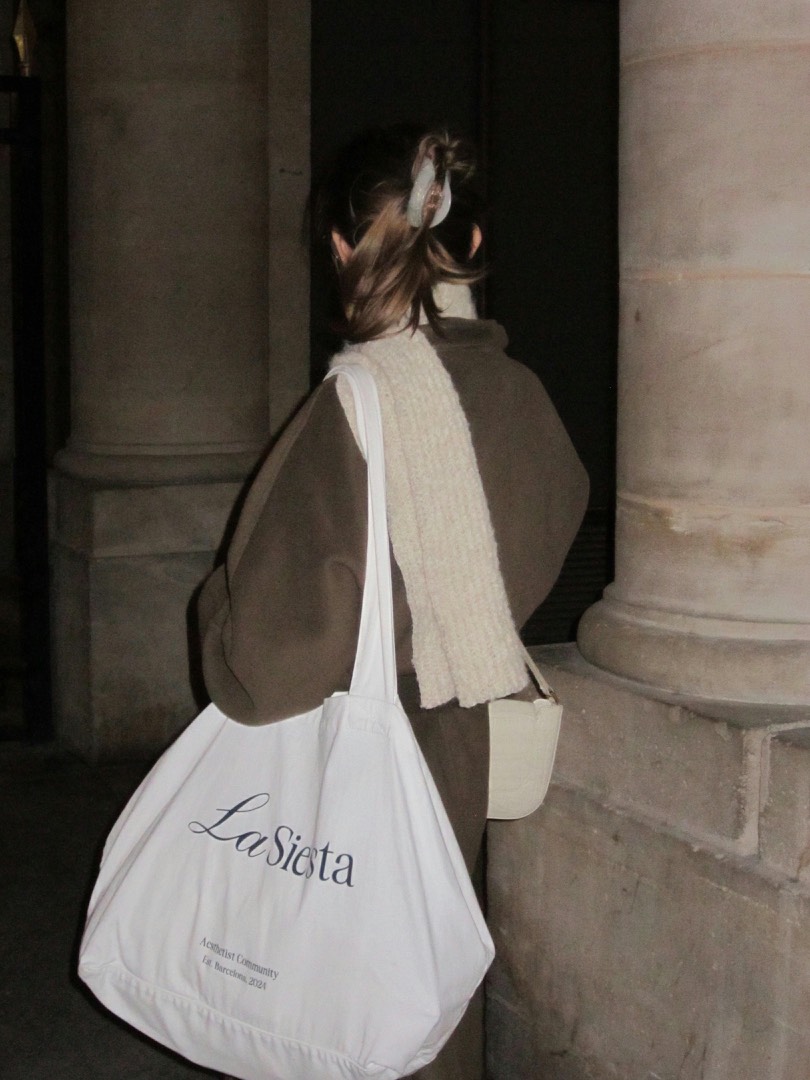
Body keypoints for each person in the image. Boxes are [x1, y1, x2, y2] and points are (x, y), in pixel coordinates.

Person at [198, 124, 589, 1080]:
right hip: (456, 746)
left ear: (341, 248)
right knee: (422, 1001)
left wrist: (218, 606)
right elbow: (549, 528)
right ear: (473, 243)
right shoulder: (525, 398)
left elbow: (265, 669)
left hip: (355, 762)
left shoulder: (351, 408)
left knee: (333, 1010)